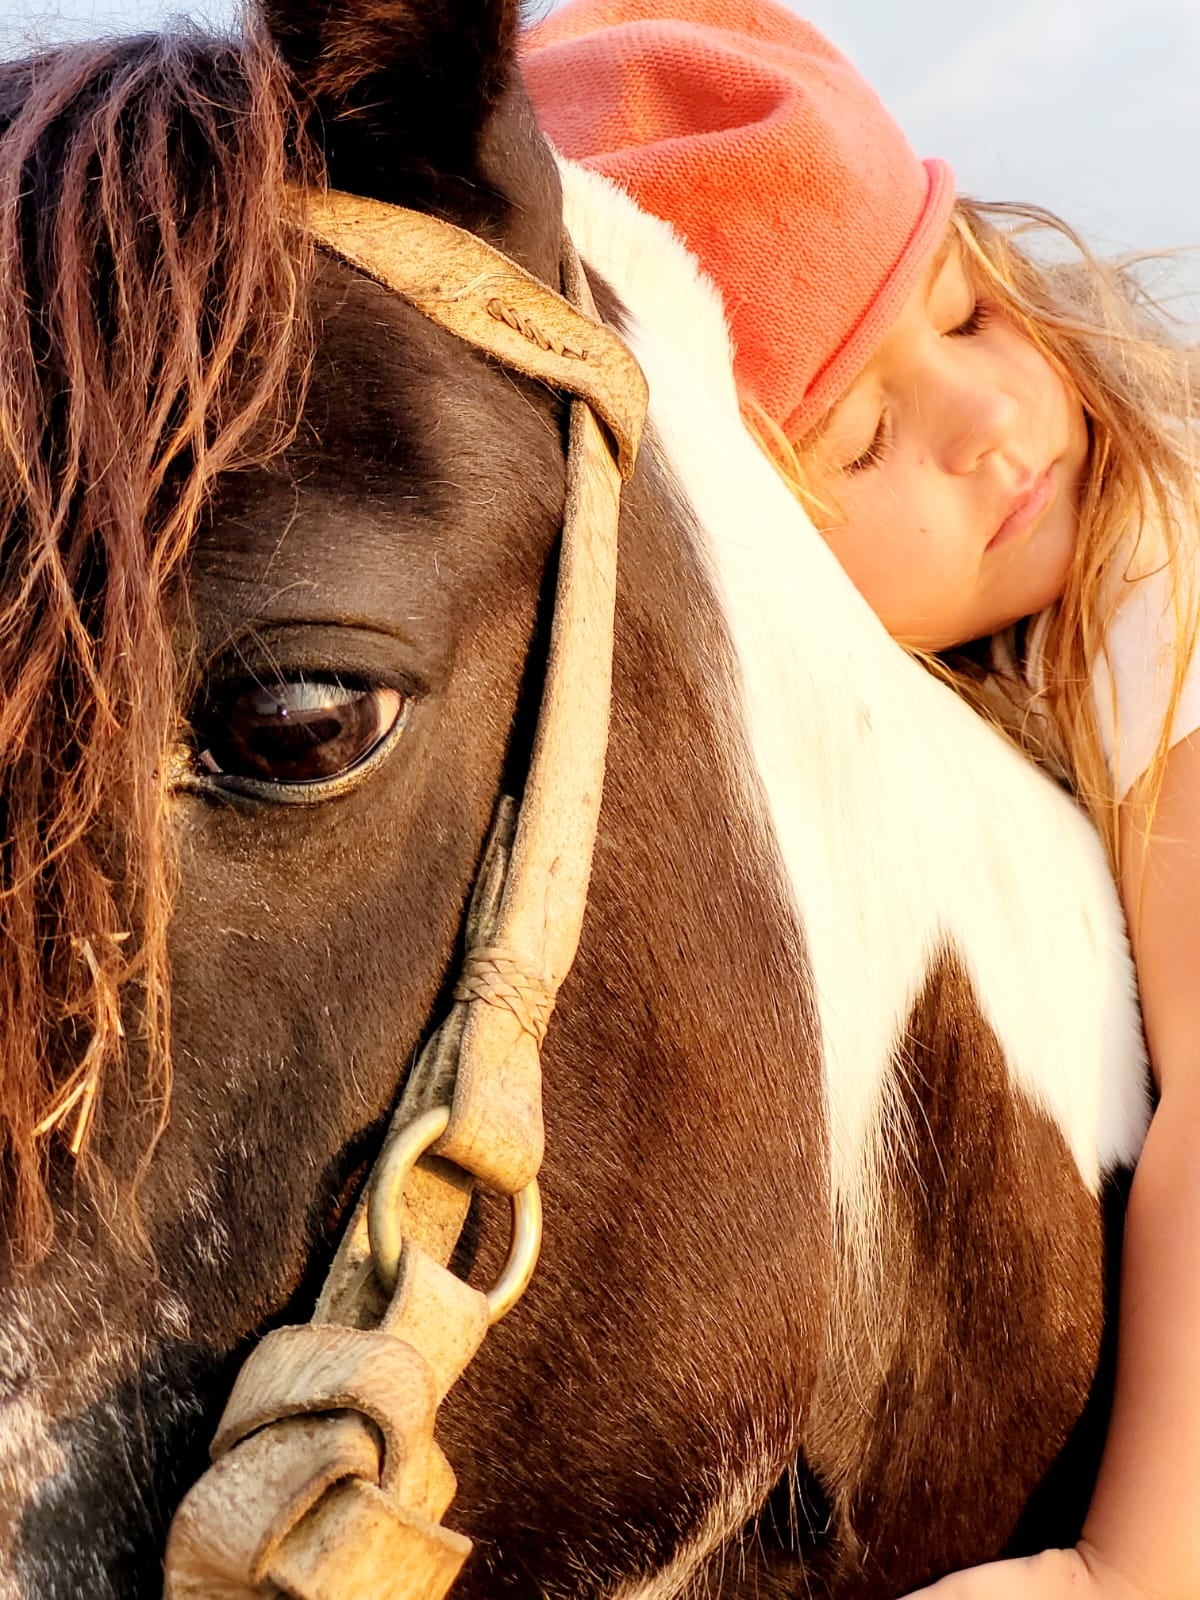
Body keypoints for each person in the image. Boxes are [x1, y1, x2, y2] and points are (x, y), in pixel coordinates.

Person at [522, 3, 1200, 1599]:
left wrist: (1136, 1567)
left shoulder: (1149, 584)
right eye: (869, 437)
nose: (989, 423)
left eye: (964, 314)